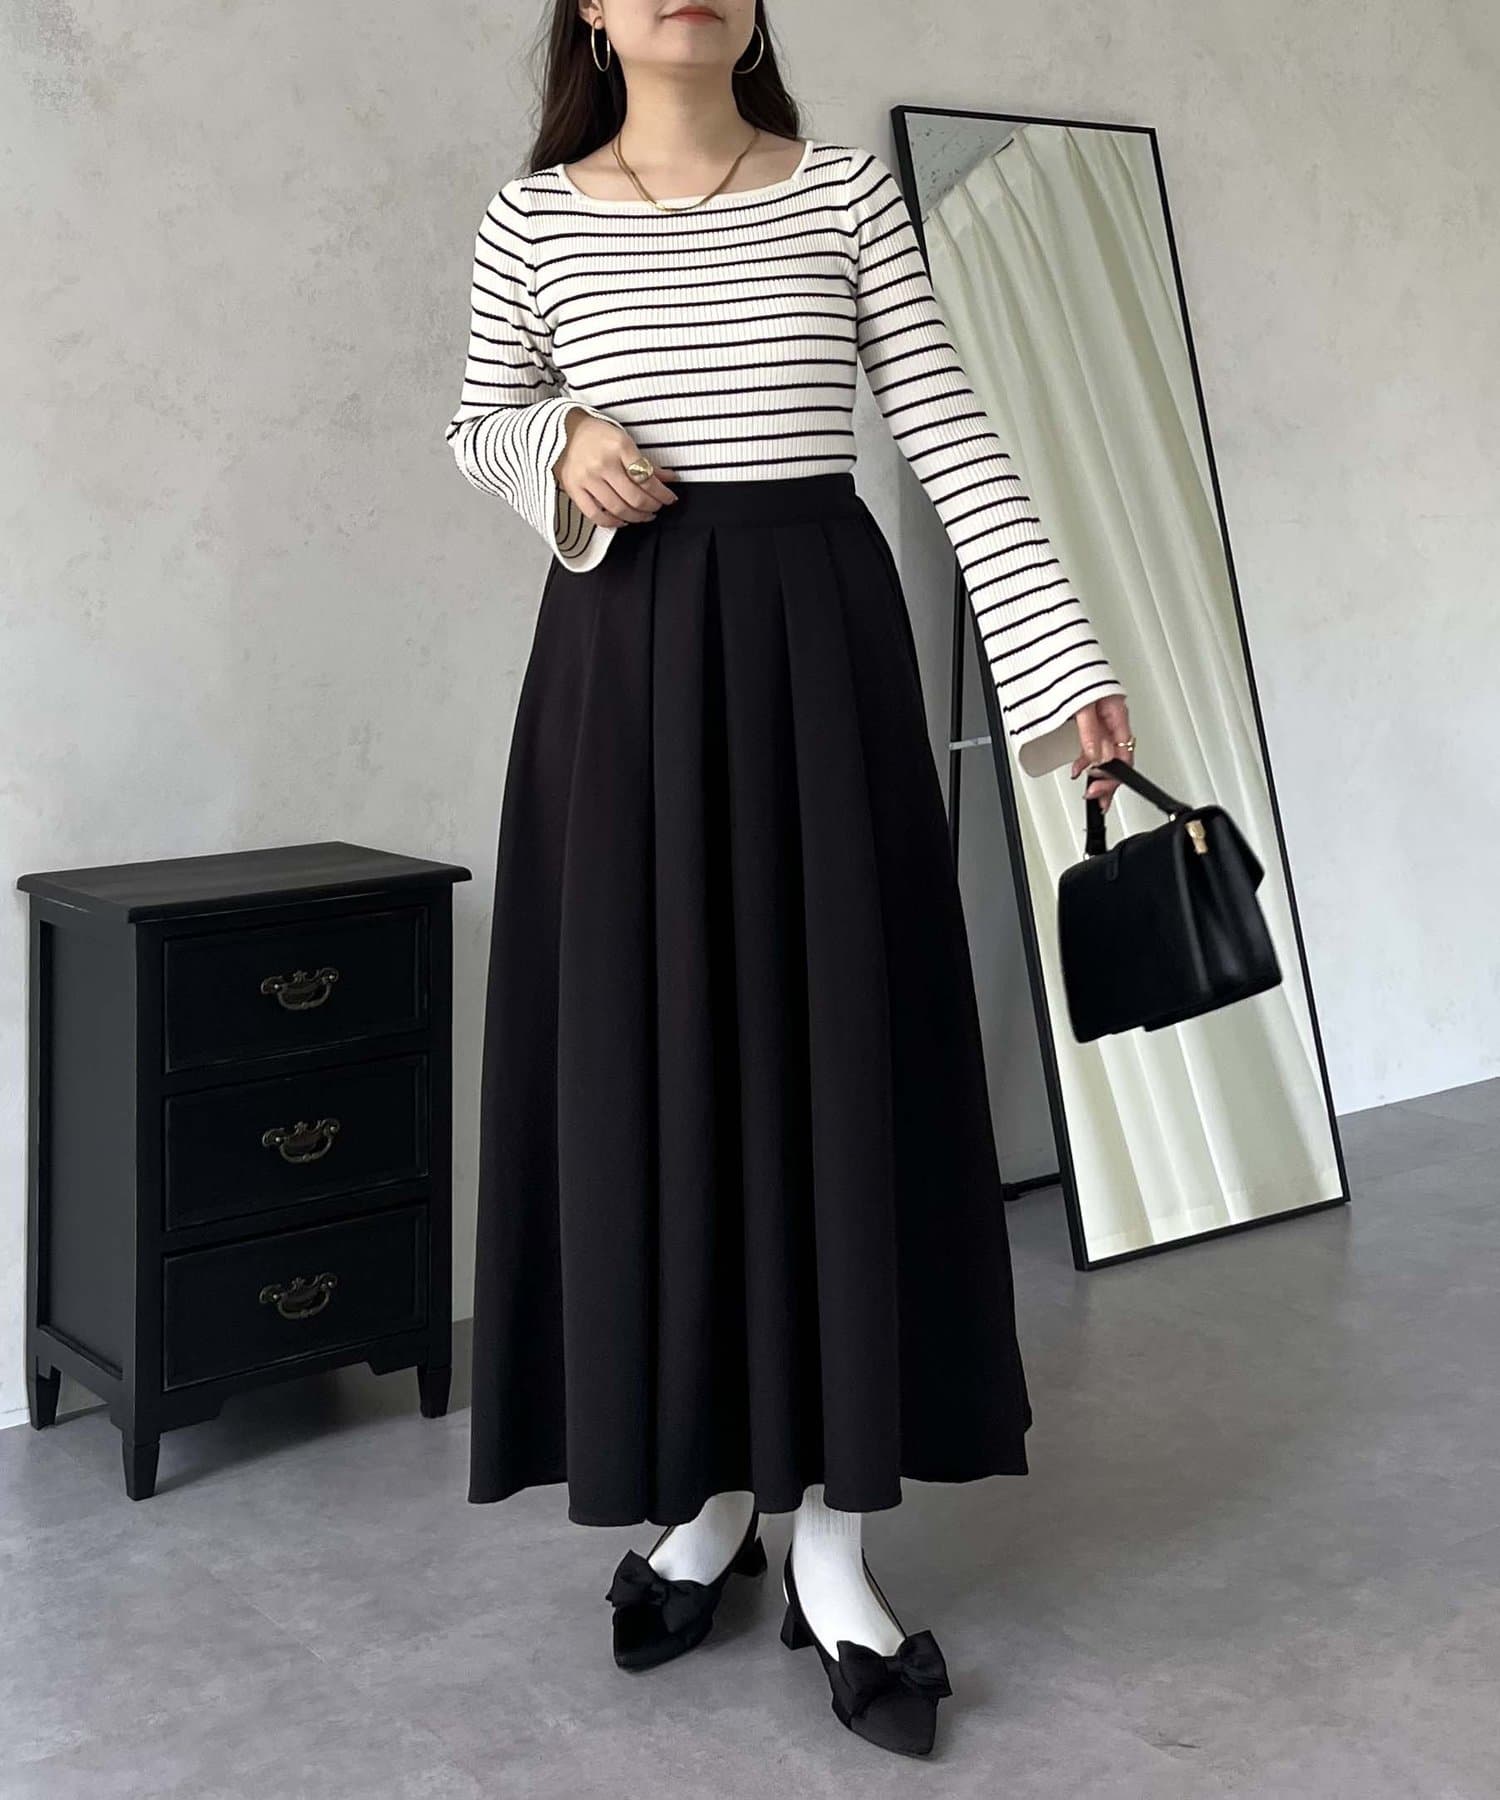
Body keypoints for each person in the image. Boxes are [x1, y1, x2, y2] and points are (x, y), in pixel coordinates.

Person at [443, 0, 1134, 1758]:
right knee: (656, 1080)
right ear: (591, 11)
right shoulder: (533, 216)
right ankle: (701, 1501)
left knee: (832, 1078)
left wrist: (1061, 661)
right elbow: (478, 419)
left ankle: (829, 1539)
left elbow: (949, 429)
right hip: (622, 676)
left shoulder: (837, 193)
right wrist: (556, 447)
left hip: (820, 666)